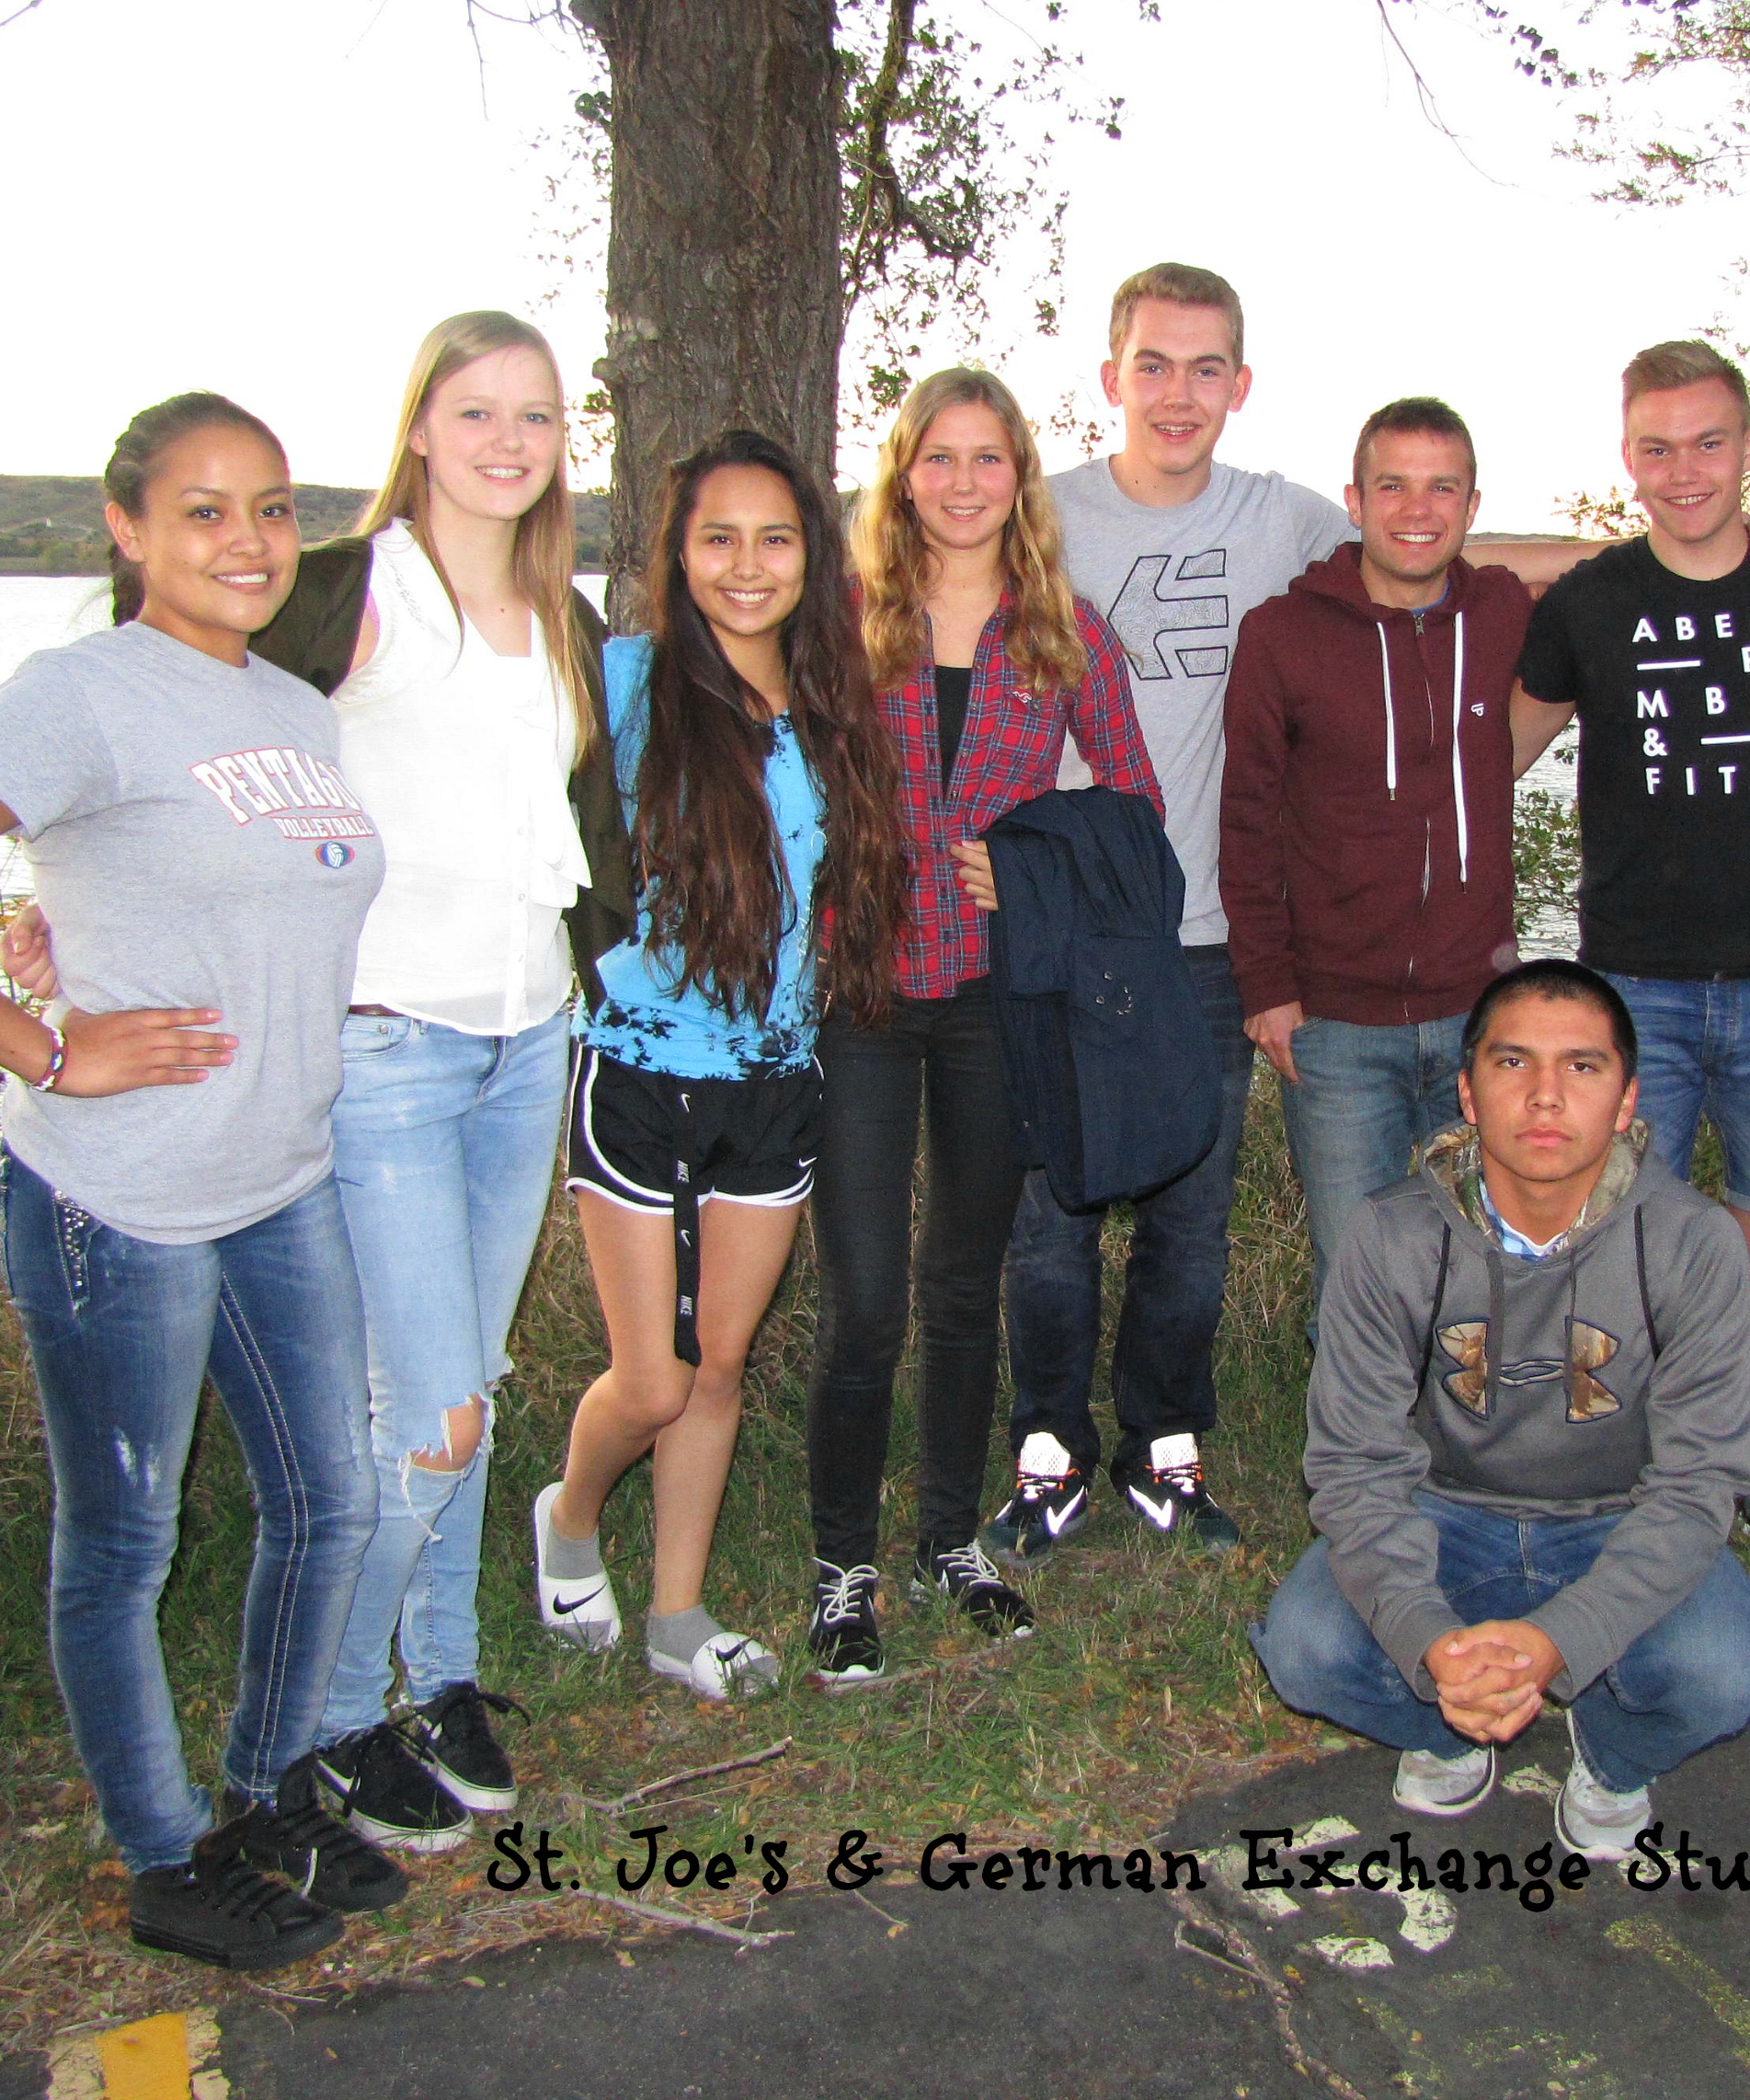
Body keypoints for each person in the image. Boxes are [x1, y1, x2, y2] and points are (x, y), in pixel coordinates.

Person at [0, 394, 403, 1969]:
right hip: (118, 1202)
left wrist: (96, 932)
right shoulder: (78, 692)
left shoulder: (297, 706)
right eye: (203, 510)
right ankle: (162, 1855)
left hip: (281, 1177)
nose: (247, 541)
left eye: (271, 508)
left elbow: (233, 895)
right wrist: (47, 1046)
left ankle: (266, 1798)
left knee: (325, 1504)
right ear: (127, 527)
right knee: (123, 1544)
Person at [8, 315, 618, 1848]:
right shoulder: (351, 592)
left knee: (466, 1383)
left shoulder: (567, 609)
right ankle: (340, 1720)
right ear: (420, 428)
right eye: (475, 411)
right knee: (423, 1412)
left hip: (524, 1035)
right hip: (384, 1047)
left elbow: (569, 824)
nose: (506, 441)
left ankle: (446, 1671)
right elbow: (166, 709)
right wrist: (68, 896)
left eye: (534, 416)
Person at [1250, 961, 1750, 1861]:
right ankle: (1452, 1726)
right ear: (1466, 1091)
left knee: (1722, 1672)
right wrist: (1430, 1646)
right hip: (1445, 1516)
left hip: (1617, 1519)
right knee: (1304, 1646)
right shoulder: (1389, 1236)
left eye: (1580, 1067)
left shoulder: (1691, 1242)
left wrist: (1556, 1641)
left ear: (1625, 1101)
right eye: (1511, 1064)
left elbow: (1697, 1488)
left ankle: (1611, 1755)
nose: (1544, 1097)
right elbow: (1353, 1467)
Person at [989, 262, 1354, 1566]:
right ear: (1110, 378)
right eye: (1154, 363)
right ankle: (1047, 1449)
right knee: (1054, 1214)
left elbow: (1433, 554)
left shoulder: (1289, 522)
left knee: (1191, 1213)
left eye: (1207, 368)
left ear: (1241, 385)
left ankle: (1165, 1445)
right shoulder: (1039, 518)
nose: (1179, 392)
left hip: (1210, 940)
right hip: (1063, 937)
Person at [532, 430, 905, 1696]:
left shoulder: (836, 709)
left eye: (776, 537)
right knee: (652, 1375)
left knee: (724, 1363)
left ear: (814, 554)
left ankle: (678, 1613)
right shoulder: (619, 684)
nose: (747, 566)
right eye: (718, 537)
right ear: (677, 552)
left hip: (776, 1081)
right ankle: (570, 1517)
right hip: (636, 1071)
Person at [807, 367, 1163, 1684]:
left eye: (989, 458)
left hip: (987, 1004)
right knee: (863, 1303)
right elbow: (769, 773)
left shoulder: (1061, 630)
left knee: (964, 1289)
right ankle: (844, 1562)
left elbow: (1135, 811)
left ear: (1022, 477)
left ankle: (949, 1537)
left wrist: (1031, 870)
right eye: (937, 457)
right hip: (855, 997)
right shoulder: (842, 619)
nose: (962, 482)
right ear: (902, 474)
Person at [1507, 341, 1750, 1582]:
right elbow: (1487, 755)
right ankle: (1612, 1472)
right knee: (1617, 1245)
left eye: (1709, 442)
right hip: (1636, 984)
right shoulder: (1593, 605)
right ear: (1627, 461)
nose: (1685, 469)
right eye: (1657, 447)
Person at [1219, 396, 1531, 1306]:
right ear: (1352, 500)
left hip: (1480, 1016)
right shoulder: (1281, 636)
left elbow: (1608, 575)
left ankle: (1468, 1448)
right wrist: (1265, 988)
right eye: (1391, 485)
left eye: (1442, 488)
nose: (1416, 509)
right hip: (1336, 1026)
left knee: (1480, 1268)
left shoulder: (1503, 614)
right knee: (1354, 1277)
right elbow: (1246, 819)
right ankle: (1357, 1452)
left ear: (1473, 508)